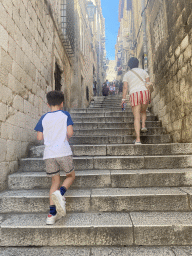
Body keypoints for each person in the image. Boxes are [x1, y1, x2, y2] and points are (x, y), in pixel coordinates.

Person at [34, 90, 75, 224]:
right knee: (70, 176)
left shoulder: (43, 117)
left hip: (49, 154)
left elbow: (39, 137)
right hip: (63, 151)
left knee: (54, 182)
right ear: (62, 103)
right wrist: (65, 137)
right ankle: (61, 193)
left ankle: (51, 216)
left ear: (48, 104)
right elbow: (70, 132)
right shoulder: (65, 114)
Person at [122, 57, 152, 144]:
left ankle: (138, 140)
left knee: (136, 117)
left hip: (134, 94)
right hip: (145, 92)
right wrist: (149, 96)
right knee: (143, 111)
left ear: (129, 65)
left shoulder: (127, 74)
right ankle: (143, 126)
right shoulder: (143, 71)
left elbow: (125, 87)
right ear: (137, 64)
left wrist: (123, 99)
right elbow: (148, 84)